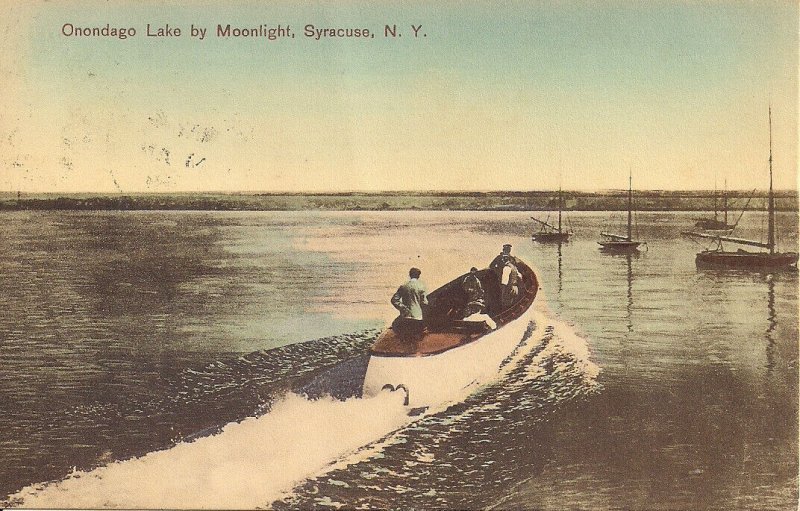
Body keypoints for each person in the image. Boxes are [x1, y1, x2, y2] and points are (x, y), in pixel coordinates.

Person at [391, 267, 428, 338]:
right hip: (417, 317)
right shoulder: (421, 286)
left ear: (410, 275)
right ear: (418, 276)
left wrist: (402, 308)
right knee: (416, 338)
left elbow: (394, 300)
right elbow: (424, 303)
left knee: (406, 337)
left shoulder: (403, 286)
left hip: (405, 317)